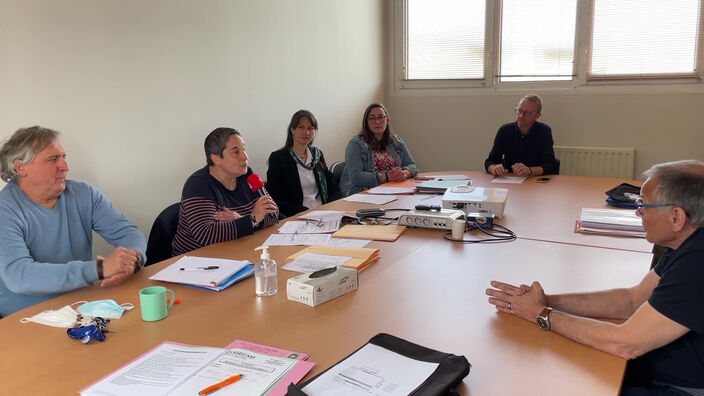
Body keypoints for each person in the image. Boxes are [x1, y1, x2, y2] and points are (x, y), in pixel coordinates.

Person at [486, 160, 704, 395]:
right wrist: (547, 301)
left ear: (676, 217)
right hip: (658, 369)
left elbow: (626, 343)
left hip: (682, 387)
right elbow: (631, 300)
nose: (638, 212)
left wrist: (540, 314)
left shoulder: (697, 262)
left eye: (644, 205)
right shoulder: (687, 243)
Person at [0, 126, 145, 317]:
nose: (65, 167)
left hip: (82, 306)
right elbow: (19, 276)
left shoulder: (84, 193)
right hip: (27, 318)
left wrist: (132, 261)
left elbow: (128, 232)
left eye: (64, 157)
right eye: (53, 159)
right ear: (21, 167)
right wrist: (99, 269)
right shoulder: (5, 210)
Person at [172, 127, 278, 256]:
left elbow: (273, 214)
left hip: (237, 249)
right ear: (216, 158)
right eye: (236, 152)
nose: (245, 157)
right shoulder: (198, 185)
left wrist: (241, 219)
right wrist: (252, 219)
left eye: (243, 149)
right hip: (197, 260)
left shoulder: (247, 175)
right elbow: (207, 235)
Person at [266, 110, 341, 217]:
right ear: (292, 129)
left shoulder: (317, 155)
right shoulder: (278, 159)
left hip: (323, 212)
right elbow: (276, 198)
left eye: (310, 128)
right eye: (301, 127)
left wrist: (329, 205)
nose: (306, 132)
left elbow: (333, 186)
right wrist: (306, 211)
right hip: (297, 215)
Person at [340, 103, 418, 195]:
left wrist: (405, 173)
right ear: (366, 122)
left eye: (381, 117)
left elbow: (412, 165)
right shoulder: (356, 144)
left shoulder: (395, 141)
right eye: (372, 118)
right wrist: (385, 177)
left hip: (394, 190)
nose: (377, 122)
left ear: (387, 120)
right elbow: (356, 176)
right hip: (363, 194)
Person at [484, 94, 556, 177]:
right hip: (509, 178)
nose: (521, 116)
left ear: (537, 116)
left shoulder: (544, 131)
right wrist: (494, 168)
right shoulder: (505, 130)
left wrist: (530, 171)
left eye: (527, 113)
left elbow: (550, 165)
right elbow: (490, 161)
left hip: (534, 180)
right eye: (519, 111)